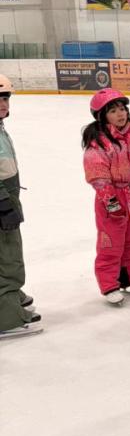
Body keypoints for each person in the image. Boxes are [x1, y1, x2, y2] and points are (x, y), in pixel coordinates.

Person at [82, 89, 130, 306]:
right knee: (110, 243)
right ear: (102, 116)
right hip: (111, 197)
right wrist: (111, 202)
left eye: (122, 109)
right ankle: (109, 284)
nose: (120, 114)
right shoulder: (99, 144)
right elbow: (98, 177)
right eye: (113, 111)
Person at [0, 74, 42, 339]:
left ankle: (10, 298)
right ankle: (6, 317)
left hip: (8, 196)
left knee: (7, 254)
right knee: (8, 259)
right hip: (2, 200)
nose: (4, 104)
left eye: (5, 98)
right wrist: (3, 202)